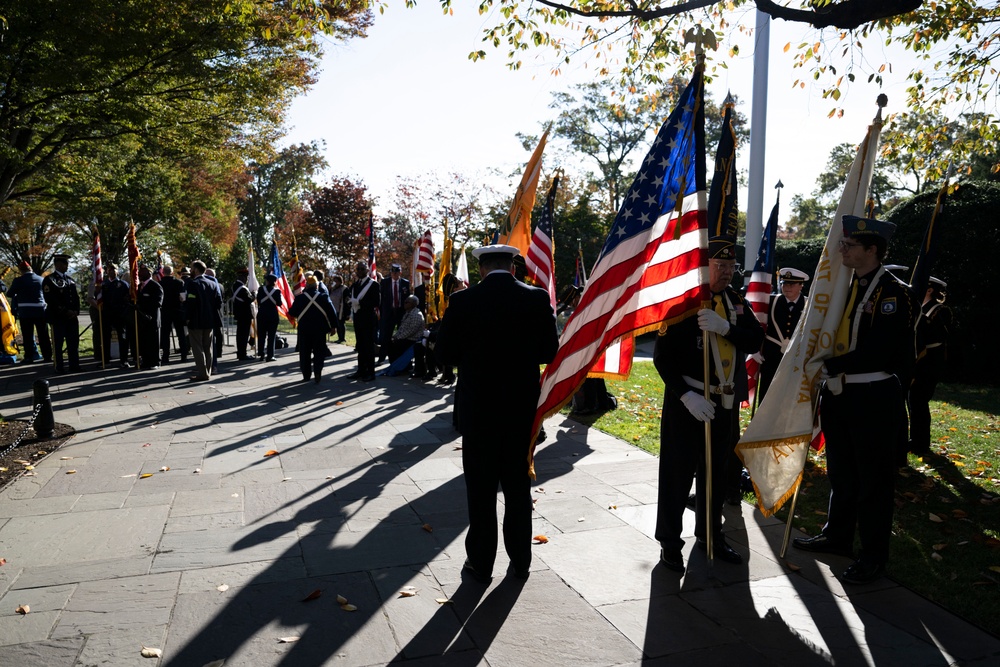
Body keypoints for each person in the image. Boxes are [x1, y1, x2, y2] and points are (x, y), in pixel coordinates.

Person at [793, 215, 918, 585]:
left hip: (872, 396)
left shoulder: (894, 293)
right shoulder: (847, 288)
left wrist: (824, 361)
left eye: (850, 245)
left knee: (873, 481)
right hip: (840, 393)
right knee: (842, 473)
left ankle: (873, 554)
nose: (842, 249)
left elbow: (880, 352)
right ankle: (838, 535)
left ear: (873, 250)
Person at [435, 244, 559, 583]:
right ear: (514, 267)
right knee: (518, 489)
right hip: (521, 409)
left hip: (478, 409)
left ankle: (481, 562)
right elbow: (550, 351)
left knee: (481, 490)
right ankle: (520, 560)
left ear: (481, 270)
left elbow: (444, 353)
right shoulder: (535, 299)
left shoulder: (462, 301)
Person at [653, 237, 764, 573]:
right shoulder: (682, 303)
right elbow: (663, 359)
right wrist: (686, 395)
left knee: (715, 474)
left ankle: (711, 535)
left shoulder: (735, 302)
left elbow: (755, 339)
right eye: (720, 266)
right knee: (677, 473)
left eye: (731, 266)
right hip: (687, 401)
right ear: (704, 267)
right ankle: (670, 543)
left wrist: (726, 327)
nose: (727, 272)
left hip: (723, 401)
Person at [908, 276, 951, 456]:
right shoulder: (921, 308)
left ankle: (921, 443)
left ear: (929, 290)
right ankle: (915, 439)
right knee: (913, 402)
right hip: (918, 362)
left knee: (919, 401)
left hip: (930, 363)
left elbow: (938, 336)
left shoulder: (940, 310)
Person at [757, 267, 810, 402]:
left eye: (791, 284)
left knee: (790, 397)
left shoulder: (809, 304)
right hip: (771, 356)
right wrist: (756, 349)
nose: (787, 287)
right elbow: (758, 324)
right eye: (784, 284)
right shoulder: (770, 301)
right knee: (767, 394)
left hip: (796, 357)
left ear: (801, 286)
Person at [287, 275, 338, 383]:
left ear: (307, 285)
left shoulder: (300, 298)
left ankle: (306, 375)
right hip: (320, 330)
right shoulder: (324, 297)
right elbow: (332, 313)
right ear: (316, 286)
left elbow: (292, 312)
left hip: (304, 330)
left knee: (305, 352)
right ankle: (318, 371)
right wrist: (334, 326)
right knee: (319, 352)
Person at [184, 260, 223, 381]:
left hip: (196, 320)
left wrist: (187, 317)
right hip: (210, 320)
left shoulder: (193, 284)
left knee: (197, 347)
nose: (190, 271)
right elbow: (218, 302)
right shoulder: (212, 283)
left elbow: (191, 302)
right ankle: (208, 371)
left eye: (191, 268)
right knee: (208, 347)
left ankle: (202, 373)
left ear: (195, 270)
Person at [43, 253, 82, 373]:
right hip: (58, 317)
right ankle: (59, 366)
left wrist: (76, 311)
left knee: (73, 342)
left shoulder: (70, 280)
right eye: (65, 263)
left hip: (71, 318)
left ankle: (74, 365)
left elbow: (75, 297)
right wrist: (65, 311)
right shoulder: (49, 280)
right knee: (58, 343)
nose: (67, 265)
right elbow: (50, 299)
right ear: (58, 264)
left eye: (67, 263)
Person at [7, 261, 52, 364]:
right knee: (43, 334)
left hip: (25, 311)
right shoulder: (41, 279)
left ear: (21, 271)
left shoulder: (18, 281)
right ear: (31, 269)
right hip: (40, 310)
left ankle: (29, 357)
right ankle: (47, 356)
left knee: (27, 336)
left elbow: (10, 293)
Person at [347, 260, 380, 381]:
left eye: (362, 269)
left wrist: (360, 302)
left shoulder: (374, 284)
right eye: (358, 269)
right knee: (360, 346)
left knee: (369, 346)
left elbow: (376, 302)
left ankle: (371, 372)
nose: (359, 271)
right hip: (358, 318)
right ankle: (361, 370)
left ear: (367, 270)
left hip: (368, 319)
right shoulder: (355, 285)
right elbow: (350, 297)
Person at [99, 264, 134, 368]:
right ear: (106, 272)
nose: (112, 271)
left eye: (114, 269)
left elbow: (128, 300)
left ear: (118, 271)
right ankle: (105, 360)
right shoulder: (103, 284)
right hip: (107, 315)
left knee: (123, 338)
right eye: (109, 270)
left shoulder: (123, 284)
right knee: (105, 338)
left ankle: (124, 360)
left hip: (120, 316)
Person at [378, 263, 410, 363]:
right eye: (393, 273)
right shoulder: (384, 282)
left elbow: (407, 297)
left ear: (400, 272)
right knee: (386, 336)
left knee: (402, 335)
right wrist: (380, 311)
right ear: (390, 273)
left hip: (401, 313)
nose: (394, 275)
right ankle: (382, 357)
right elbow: (381, 298)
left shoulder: (405, 283)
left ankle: (400, 357)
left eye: (396, 273)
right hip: (389, 313)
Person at [134, 264, 163, 370]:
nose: (140, 274)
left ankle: (155, 362)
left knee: (153, 342)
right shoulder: (138, 287)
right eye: (140, 272)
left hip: (152, 319)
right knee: (144, 341)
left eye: (143, 272)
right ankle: (145, 361)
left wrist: (143, 306)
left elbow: (158, 302)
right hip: (141, 320)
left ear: (149, 273)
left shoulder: (155, 286)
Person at [159, 265, 188, 364]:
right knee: (180, 334)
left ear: (163, 272)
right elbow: (183, 298)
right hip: (177, 310)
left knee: (165, 335)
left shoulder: (160, 283)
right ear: (172, 272)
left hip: (165, 312)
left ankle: (165, 356)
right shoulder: (179, 282)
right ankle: (184, 355)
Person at [388, 294, 424, 369]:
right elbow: (401, 328)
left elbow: (411, 330)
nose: (405, 303)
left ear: (413, 304)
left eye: (407, 302)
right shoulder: (407, 313)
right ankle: (396, 365)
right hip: (405, 337)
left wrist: (399, 337)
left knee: (397, 345)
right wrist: (395, 336)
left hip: (413, 339)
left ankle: (402, 366)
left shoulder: (416, 314)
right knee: (389, 342)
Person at [256, 273, 283, 361]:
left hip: (262, 314)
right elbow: (279, 303)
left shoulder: (260, 289)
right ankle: (270, 355)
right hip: (272, 315)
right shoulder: (277, 291)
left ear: (267, 281)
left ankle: (261, 353)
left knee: (261, 335)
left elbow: (258, 301)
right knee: (271, 336)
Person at [232, 267, 255, 360]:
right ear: (243, 277)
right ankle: (242, 354)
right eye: (246, 277)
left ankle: (240, 352)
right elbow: (249, 300)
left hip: (239, 314)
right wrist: (254, 294)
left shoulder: (235, 286)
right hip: (245, 315)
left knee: (240, 335)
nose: (246, 280)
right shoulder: (242, 289)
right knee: (244, 335)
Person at [204, 267, 225, 372]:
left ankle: (210, 365)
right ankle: (218, 354)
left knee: (208, 341)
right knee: (217, 337)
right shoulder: (219, 286)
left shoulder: (205, 284)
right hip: (217, 315)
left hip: (207, 316)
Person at [328, 275, 347, 344]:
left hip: (341, 309)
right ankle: (339, 337)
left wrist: (346, 312)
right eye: (334, 281)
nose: (335, 282)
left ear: (340, 281)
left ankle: (342, 338)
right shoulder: (333, 289)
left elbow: (346, 300)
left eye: (336, 281)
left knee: (341, 324)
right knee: (337, 324)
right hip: (334, 309)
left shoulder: (344, 289)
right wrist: (329, 288)